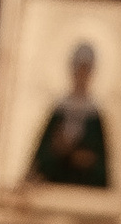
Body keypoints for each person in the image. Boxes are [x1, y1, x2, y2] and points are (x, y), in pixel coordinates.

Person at [27, 42, 110, 190]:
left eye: (86, 70)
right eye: (79, 69)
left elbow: (102, 171)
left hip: (83, 193)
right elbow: (40, 162)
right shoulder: (59, 112)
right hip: (53, 189)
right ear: (72, 70)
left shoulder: (95, 116)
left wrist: (85, 160)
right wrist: (57, 150)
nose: (82, 75)